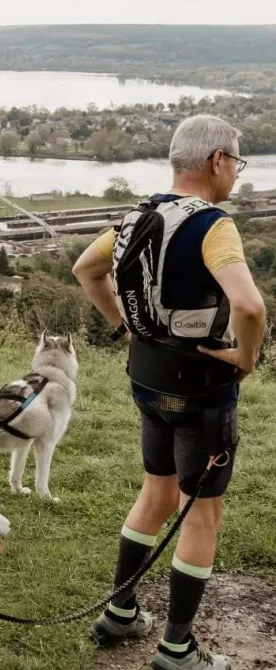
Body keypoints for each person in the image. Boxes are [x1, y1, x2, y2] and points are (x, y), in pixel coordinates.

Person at [72, 115, 265, 670]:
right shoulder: (213, 225)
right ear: (216, 162)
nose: (234, 174)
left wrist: (126, 326)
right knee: (201, 515)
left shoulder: (138, 215)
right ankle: (178, 650)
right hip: (203, 389)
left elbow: (87, 269)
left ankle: (121, 612)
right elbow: (250, 306)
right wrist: (245, 359)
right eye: (236, 163)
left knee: (155, 492)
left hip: (147, 379)